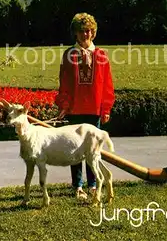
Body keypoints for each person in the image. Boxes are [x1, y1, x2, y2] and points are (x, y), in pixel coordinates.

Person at [55, 13, 115, 200]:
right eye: (81, 31)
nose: (85, 34)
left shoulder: (101, 56)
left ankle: (93, 185)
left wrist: (105, 109)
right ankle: (77, 186)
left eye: (88, 31)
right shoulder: (69, 55)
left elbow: (107, 86)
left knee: (92, 151)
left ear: (93, 33)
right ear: (75, 33)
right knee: (74, 150)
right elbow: (64, 83)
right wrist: (64, 105)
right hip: (75, 110)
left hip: (94, 110)